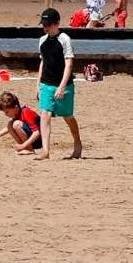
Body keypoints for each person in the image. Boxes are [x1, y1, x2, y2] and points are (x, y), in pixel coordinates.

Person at [35, 8, 81, 161]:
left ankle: (77, 143)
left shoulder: (65, 39)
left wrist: (61, 87)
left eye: (48, 24)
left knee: (67, 116)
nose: (45, 27)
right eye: (44, 24)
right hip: (46, 84)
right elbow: (43, 63)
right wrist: (38, 85)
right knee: (45, 114)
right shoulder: (42, 41)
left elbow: (69, 65)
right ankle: (46, 151)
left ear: (57, 23)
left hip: (64, 85)